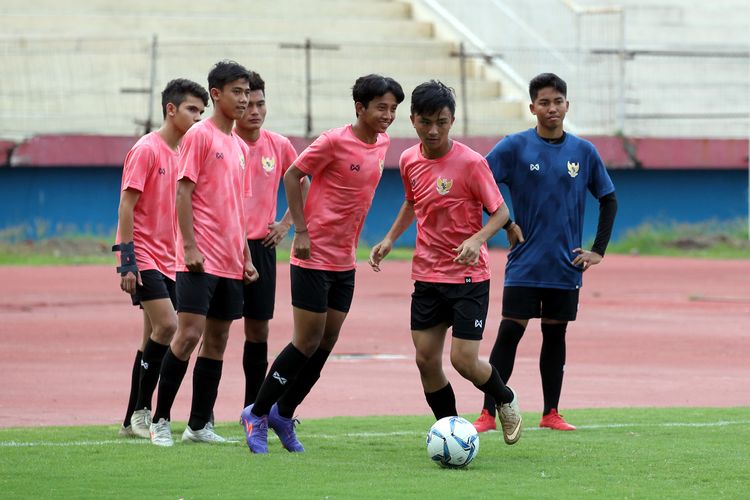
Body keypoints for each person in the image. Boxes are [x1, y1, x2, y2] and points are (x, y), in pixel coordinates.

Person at [240, 74, 405, 454]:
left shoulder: (382, 142)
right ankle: (257, 412)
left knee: (326, 343)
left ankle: (284, 413)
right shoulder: (333, 140)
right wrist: (299, 230)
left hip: (345, 261)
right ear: (359, 107)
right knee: (306, 340)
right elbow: (293, 173)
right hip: (313, 257)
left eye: (393, 109)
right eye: (381, 107)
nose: (388, 115)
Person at [368, 80, 522, 445]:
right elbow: (411, 202)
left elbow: (500, 213)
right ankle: (452, 432)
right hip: (427, 275)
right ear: (413, 120)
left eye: (441, 121)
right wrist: (390, 238)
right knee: (425, 360)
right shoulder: (408, 160)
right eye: (425, 122)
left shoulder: (471, 163)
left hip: (469, 277)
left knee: (464, 360)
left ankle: (505, 399)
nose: (433, 130)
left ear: (453, 120)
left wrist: (477, 238)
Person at [473, 72, 617, 433]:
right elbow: (479, 183)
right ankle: (489, 413)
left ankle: (551, 412)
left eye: (557, 101)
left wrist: (598, 251)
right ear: (532, 107)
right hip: (524, 263)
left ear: (567, 105)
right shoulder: (514, 146)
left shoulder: (584, 152)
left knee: (556, 336)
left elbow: (608, 199)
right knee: (510, 333)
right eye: (544, 102)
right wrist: (504, 225)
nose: (551, 108)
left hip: (565, 266)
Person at [148, 60, 259, 447]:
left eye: (247, 92)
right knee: (187, 335)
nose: (244, 100)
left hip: (230, 260)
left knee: (217, 341)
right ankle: (160, 420)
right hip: (199, 257)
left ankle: (198, 425)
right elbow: (183, 192)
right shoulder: (200, 135)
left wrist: (245, 256)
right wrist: (189, 245)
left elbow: (237, 209)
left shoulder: (240, 146)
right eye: (237, 92)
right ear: (216, 94)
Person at [114, 78, 209, 439]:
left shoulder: (185, 153)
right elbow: (126, 205)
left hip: (172, 260)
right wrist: (127, 262)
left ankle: (130, 422)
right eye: (191, 110)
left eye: (202, 112)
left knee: (151, 338)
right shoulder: (147, 149)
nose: (198, 118)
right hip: (144, 256)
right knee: (168, 328)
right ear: (171, 109)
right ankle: (142, 411)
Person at [233, 71, 308, 409]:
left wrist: (287, 223)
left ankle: (253, 408)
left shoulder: (278, 145)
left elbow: (303, 182)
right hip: (226, 248)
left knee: (258, 333)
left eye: (261, 104)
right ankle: (199, 416)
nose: (255, 111)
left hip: (261, 248)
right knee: (208, 334)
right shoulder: (225, 142)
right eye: (248, 104)